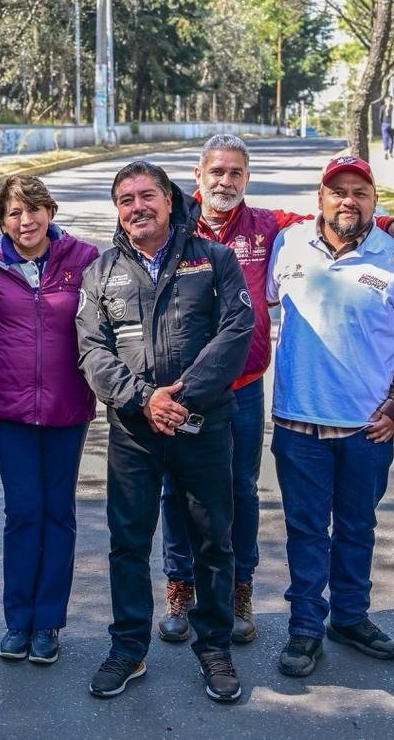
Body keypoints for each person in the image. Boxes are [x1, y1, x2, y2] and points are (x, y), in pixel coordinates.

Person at [158, 135, 394, 646]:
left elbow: (344, 217)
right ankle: (181, 587)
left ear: (247, 179)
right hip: (183, 388)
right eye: (216, 172)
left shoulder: (271, 229)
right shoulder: (173, 224)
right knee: (178, 490)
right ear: (198, 175)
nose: (225, 182)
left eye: (235, 173)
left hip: (245, 386)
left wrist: (393, 223)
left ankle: (242, 591)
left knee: (242, 492)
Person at [76, 160, 253, 703]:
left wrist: (182, 396)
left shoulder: (215, 259)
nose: (137, 206)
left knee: (212, 543)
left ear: (170, 200)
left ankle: (214, 648)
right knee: (128, 544)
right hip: (133, 430)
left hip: (202, 423)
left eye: (146, 195)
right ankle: (128, 648)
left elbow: (237, 330)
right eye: (125, 199)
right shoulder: (101, 272)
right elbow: (91, 350)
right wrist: (142, 399)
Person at [265, 154, 394, 679]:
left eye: (360, 192)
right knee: (306, 529)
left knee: (357, 527)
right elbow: (262, 304)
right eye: (338, 191)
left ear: (375, 202)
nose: (347, 201)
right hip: (297, 424)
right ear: (320, 199)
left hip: (365, 429)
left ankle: (351, 618)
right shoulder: (286, 244)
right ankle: (306, 627)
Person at [0, 175, 100, 665]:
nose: (26, 221)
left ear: (51, 210)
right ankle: (16, 622)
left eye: (35, 209)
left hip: (68, 406)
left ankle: (48, 623)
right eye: (14, 213)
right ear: (1, 221)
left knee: (58, 512)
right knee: (23, 511)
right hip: (11, 409)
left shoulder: (84, 259)